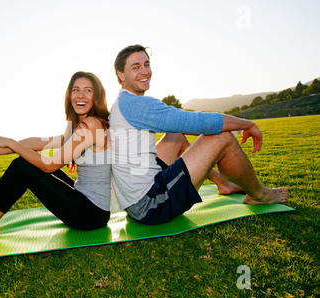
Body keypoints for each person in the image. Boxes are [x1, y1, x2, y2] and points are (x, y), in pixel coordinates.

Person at [110, 44, 288, 225]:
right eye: (135, 67)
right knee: (222, 137)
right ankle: (260, 194)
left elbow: (180, 126)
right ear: (121, 75)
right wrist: (247, 124)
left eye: (146, 64)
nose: (144, 71)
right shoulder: (135, 105)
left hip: (135, 197)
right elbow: (197, 122)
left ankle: (222, 183)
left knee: (176, 135)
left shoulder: (123, 101)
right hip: (149, 205)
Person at [0, 71, 111, 240]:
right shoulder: (81, 127)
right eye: (76, 90)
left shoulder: (91, 125)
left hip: (90, 215)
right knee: (25, 164)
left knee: (22, 167)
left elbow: (50, 165)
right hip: (87, 204)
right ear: (69, 95)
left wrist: (10, 142)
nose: (80, 95)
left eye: (88, 90)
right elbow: (38, 142)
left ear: (96, 96)